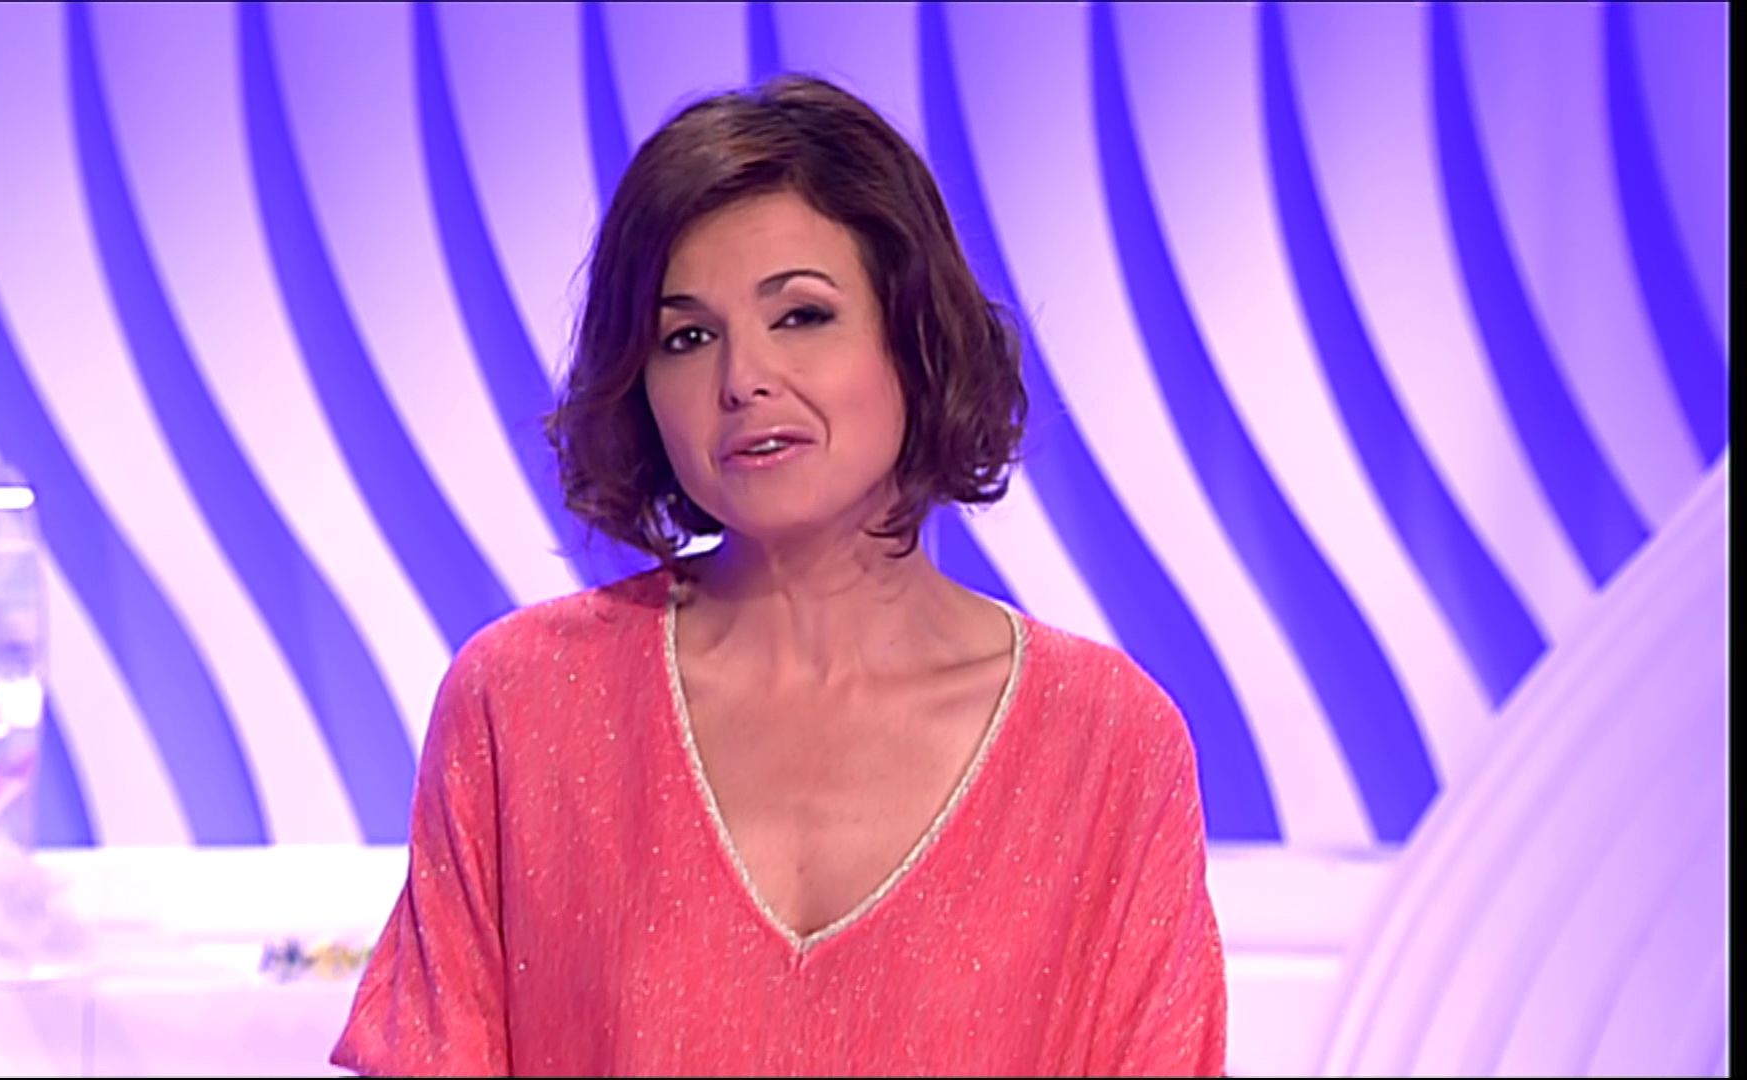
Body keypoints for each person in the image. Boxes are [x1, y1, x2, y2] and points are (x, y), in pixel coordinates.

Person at [331, 74, 1226, 1077]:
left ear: (914, 338)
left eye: (800, 315)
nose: (743, 380)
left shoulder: (1106, 742)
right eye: (687, 337)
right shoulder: (523, 703)